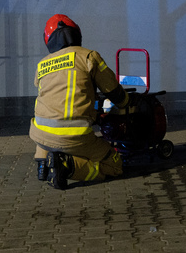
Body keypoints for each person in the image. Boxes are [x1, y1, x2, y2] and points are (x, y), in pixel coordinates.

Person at [29, 14, 133, 189]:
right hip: (75, 136)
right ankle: (67, 166)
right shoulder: (88, 56)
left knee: (50, 141)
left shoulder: (42, 65)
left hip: (39, 134)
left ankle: (43, 160)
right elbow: (113, 90)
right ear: (76, 33)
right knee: (115, 164)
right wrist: (126, 102)